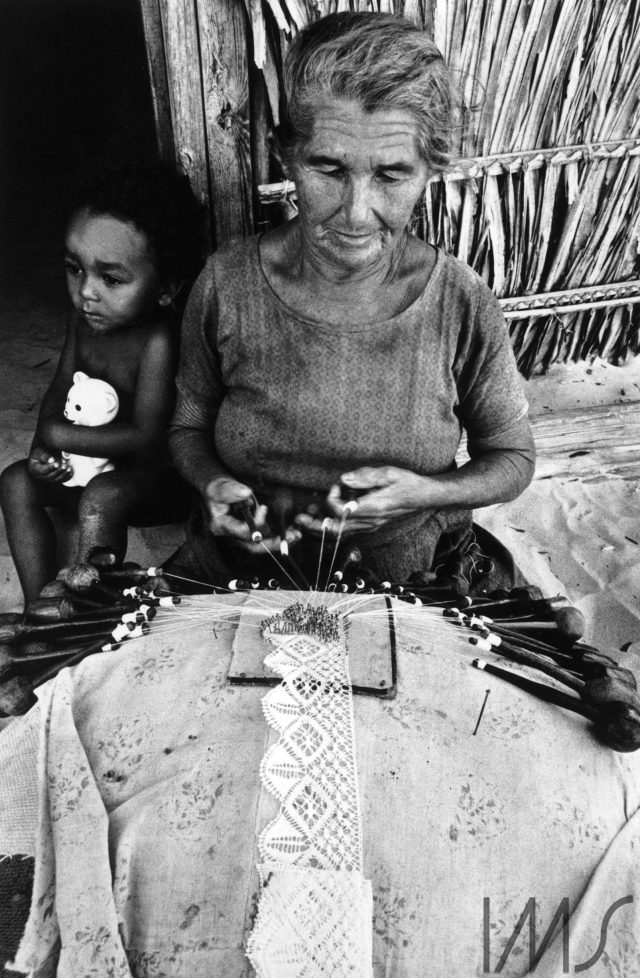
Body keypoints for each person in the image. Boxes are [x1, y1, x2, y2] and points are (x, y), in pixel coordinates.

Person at [168, 11, 535, 590]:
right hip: (241, 572)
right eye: (329, 168)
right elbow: (188, 426)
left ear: (429, 170)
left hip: (417, 578)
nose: (356, 213)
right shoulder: (226, 285)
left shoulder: (460, 303)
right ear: (285, 155)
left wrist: (427, 492)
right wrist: (213, 484)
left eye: (391, 175)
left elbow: (513, 458)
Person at [0, 159, 203, 607]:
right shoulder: (83, 322)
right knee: (14, 482)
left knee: (102, 495)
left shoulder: (158, 339)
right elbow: (58, 393)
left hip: (149, 481)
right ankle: (43, 605)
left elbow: (147, 439)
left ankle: (88, 604)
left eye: (111, 278)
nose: (87, 291)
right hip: (87, 461)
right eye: (75, 268)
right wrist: (43, 453)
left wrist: (61, 434)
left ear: (167, 288)